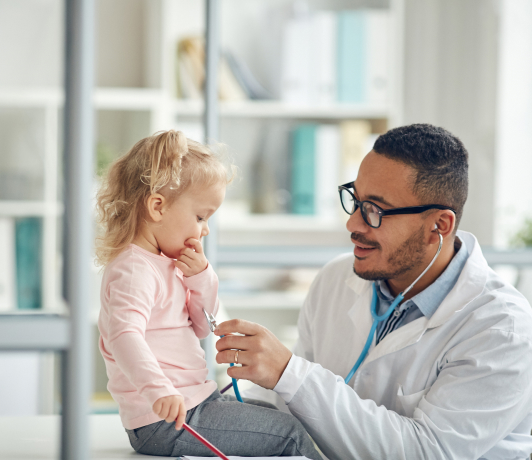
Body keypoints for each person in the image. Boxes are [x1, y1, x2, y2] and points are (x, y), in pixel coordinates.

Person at [214, 124, 532, 460]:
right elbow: (289, 412)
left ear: (438, 226)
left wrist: (288, 372)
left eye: (376, 211)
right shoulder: (336, 279)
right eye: (356, 200)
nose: (353, 224)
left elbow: (426, 452)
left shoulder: (501, 329)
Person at [95, 130, 322, 459]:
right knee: (289, 434)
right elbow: (123, 336)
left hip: (195, 403)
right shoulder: (134, 270)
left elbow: (203, 326)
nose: (205, 229)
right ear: (157, 206)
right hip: (166, 419)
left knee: (286, 415)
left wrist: (201, 277)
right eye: (200, 217)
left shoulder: (166, 264)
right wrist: (158, 390)